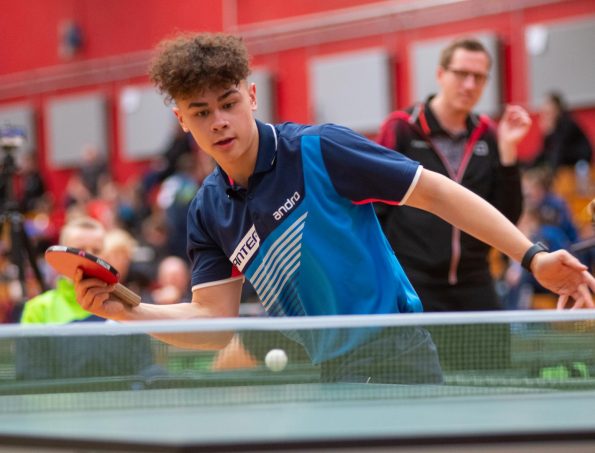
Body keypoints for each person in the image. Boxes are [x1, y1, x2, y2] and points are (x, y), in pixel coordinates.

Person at [74, 33, 595, 385]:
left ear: (252, 96)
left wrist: (532, 257)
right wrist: (130, 313)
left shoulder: (319, 150)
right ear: (182, 122)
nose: (219, 122)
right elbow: (213, 322)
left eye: (228, 103)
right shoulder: (209, 210)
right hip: (326, 369)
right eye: (201, 112)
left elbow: (437, 192)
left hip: (396, 356)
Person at [376, 37, 525, 312]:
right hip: (412, 280)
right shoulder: (402, 128)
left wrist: (508, 151)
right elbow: (376, 207)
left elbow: (508, 216)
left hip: (475, 280)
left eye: (478, 77)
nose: (469, 85)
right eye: (461, 74)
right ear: (441, 74)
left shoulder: (489, 134)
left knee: (495, 342)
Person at [16, 217, 156, 380]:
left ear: (105, 257)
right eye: (80, 250)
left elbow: (144, 367)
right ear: (62, 259)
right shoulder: (37, 309)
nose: (89, 257)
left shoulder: (124, 308)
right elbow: (31, 377)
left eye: (96, 250)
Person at [531, 92, 593, 172]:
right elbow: (545, 151)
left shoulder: (567, 123)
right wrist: (546, 135)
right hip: (565, 159)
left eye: (548, 105)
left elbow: (559, 150)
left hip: (579, 160)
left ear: (557, 109)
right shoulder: (552, 126)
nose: (544, 108)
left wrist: (551, 132)